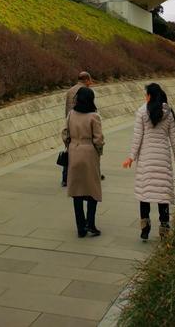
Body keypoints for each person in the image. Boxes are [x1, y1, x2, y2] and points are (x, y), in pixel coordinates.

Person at [122, 82, 175, 241]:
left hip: (146, 159)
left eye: (146, 94)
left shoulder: (142, 112)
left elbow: (137, 137)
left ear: (150, 95)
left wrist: (131, 157)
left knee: (145, 193)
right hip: (163, 158)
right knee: (163, 193)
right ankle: (164, 228)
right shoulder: (168, 113)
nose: (145, 96)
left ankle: (145, 228)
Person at [62, 86, 105, 237]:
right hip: (89, 153)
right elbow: (98, 139)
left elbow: (65, 133)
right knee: (92, 189)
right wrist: (99, 152)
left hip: (74, 151)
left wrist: (70, 145)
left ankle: (80, 227)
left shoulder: (71, 114)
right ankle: (90, 224)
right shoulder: (94, 116)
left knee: (77, 191)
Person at [62, 71, 92, 186]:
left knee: (69, 150)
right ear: (86, 80)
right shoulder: (86, 92)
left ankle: (65, 178)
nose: (91, 83)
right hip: (83, 124)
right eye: (90, 80)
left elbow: (66, 109)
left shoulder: (70, 91)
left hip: (70, 123)